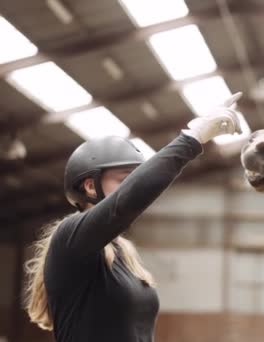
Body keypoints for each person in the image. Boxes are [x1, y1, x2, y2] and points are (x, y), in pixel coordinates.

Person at [23, 93, 244, 342]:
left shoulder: (122, 253)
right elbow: (126, 201)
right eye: (124, 178)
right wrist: (192, 138)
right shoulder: (69, 237)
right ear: (90, 186)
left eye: (136, 177)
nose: (134, 184)